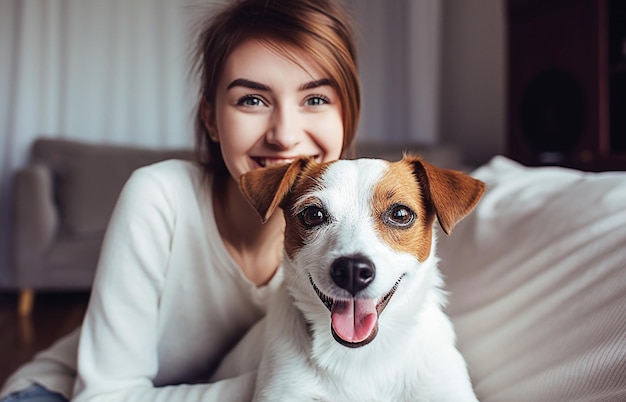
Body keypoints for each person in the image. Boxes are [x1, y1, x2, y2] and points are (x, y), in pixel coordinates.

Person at [0, 0, 360, 400]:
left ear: (347, 116)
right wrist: (276, 387)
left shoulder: (351, 241)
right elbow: (104, 395)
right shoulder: (159, 198)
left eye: (315, 100)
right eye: (252, 100)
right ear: (210, 117)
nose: (284, 135)